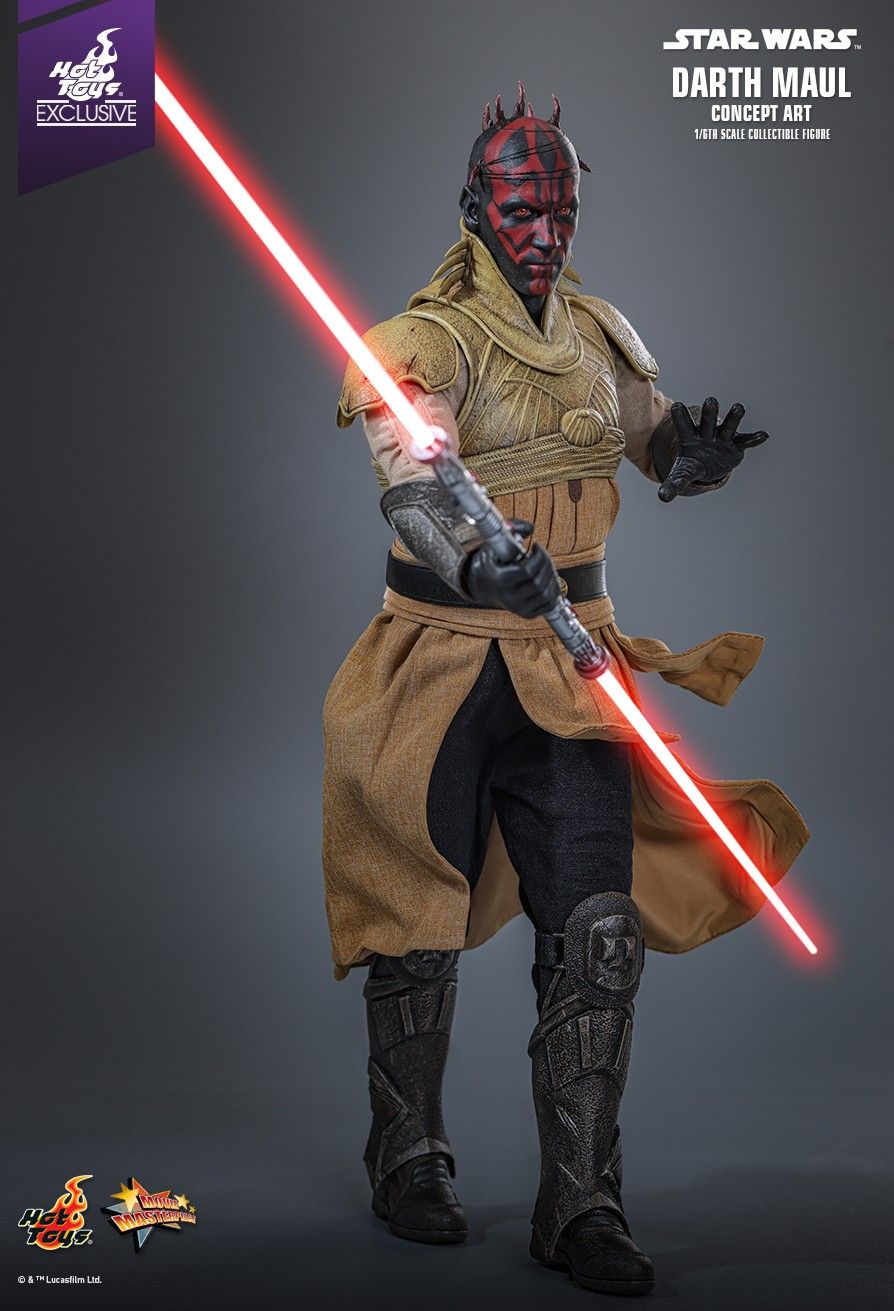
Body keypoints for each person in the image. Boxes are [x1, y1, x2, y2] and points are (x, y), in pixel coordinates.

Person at [322, 85, 808, 1295]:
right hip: (438, 665)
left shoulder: (597, 335)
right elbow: (412, 491)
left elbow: (655, 441)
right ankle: (407, 1155)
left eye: (560, 212)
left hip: (571, 664)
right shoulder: (424, 341)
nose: (543, 233)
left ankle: (581, 1201)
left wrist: (694, 457)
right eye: (521, 210)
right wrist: (475, 561)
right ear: (476, 207)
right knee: (413, 924)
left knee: (599, 933)